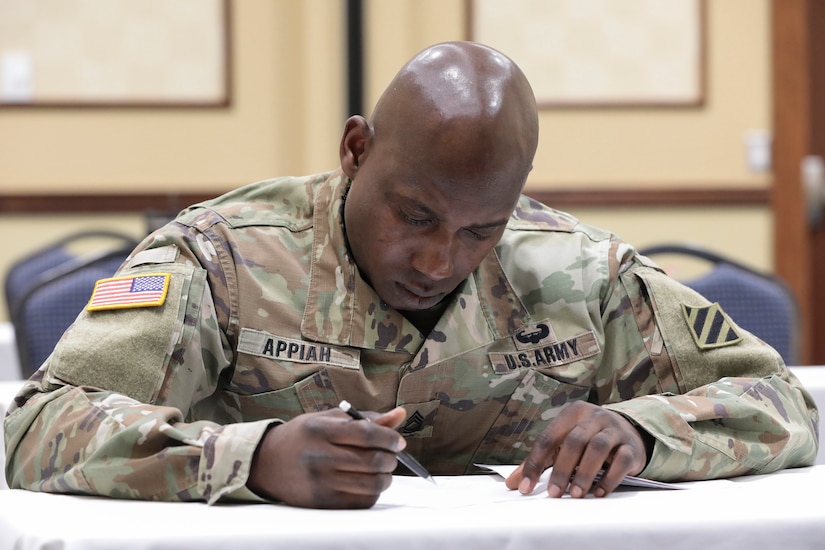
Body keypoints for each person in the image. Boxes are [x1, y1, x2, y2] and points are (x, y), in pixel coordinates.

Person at [3, 41, 818, 509]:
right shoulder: (221, 258)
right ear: (355, 151)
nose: (438, 262)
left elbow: (783, 403)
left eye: (479, 231)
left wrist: (644, 434)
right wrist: (250, 460)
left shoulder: (581, 273)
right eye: (415, 216)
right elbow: (36, 428)